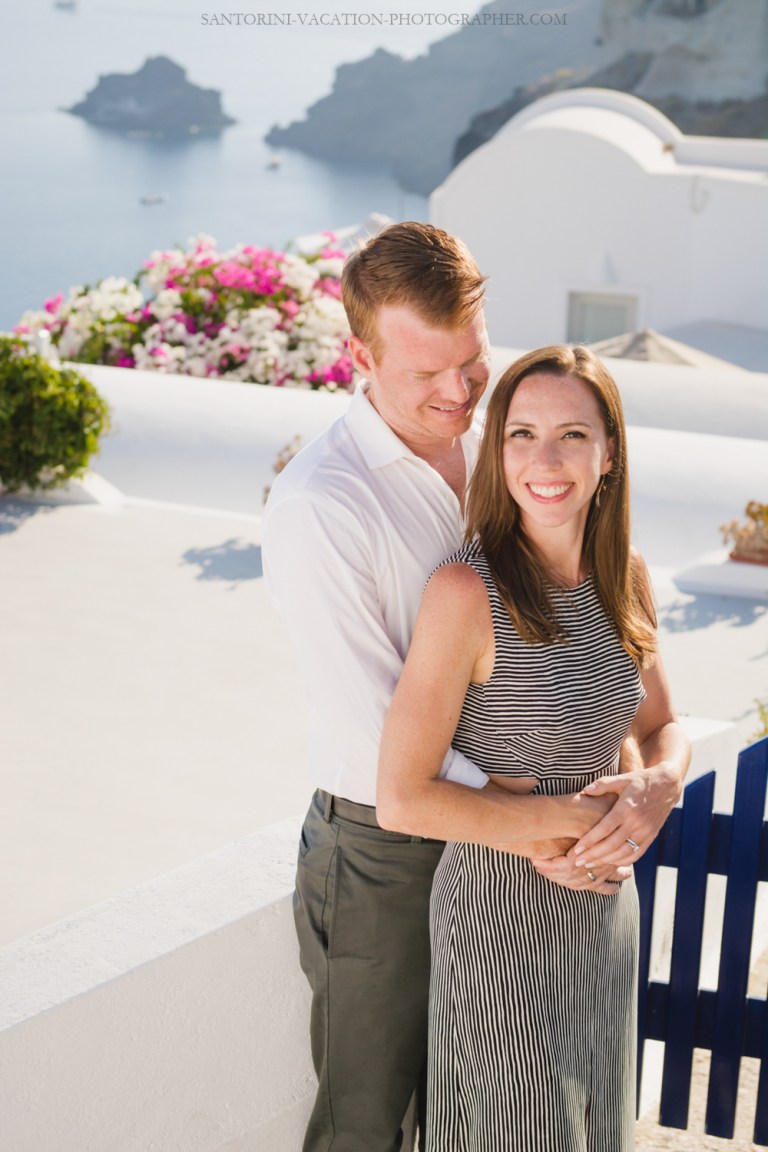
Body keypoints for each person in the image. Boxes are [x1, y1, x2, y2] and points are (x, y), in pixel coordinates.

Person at [262, 225, 682, 1152]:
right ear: (361, 358)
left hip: (524, 847)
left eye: (472, 363)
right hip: (381, 846)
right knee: (371, 1121)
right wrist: (565, 822)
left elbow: (571, 655)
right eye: (427, 376)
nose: (460, 395)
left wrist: (635, 788)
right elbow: (385, 746)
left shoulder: (501, 449)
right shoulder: (320, 506)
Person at [377, 344, 691, 1151]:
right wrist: (560, 827)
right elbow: (403, 796)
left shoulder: (627, 575)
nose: (544, 461)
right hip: (497, 924)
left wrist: (661, 785)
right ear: (498, 448)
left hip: (606, 915)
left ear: (609, 452)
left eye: (572, 436)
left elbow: (660, 726)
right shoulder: (465, 593)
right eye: (521, 434)